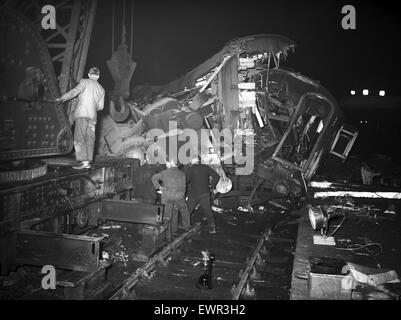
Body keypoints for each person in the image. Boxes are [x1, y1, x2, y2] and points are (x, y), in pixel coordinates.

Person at [56, 67, 105, 169]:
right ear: (98, 77)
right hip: (93, 117)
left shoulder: (84, 82)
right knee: (90, 138)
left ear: (89, 74)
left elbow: (75, 91)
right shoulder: (101, 89)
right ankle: (88, 163)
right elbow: (101, 107)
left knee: (79, 137)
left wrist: (62, 98)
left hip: (82, 114)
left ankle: (83, 161)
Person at [151, 160, 190, 236]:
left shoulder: (165, 172)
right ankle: (186, 227)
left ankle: (167, 233)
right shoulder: (182, 174)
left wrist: (159, 188)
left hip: (167, 196)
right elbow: (184, 187)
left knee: (167, 215)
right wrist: (182, 195)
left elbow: (154, 178)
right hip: (179, 196)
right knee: (182, 210)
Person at [185, 156, 220, 234]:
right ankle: (212, 228)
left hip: (194, 194)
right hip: (205, 193)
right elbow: (216, 176)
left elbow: (186, 179)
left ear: (194, 160)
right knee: (208, 211)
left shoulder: (191, 168)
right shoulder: (206, 167)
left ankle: (186, 227)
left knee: (188, 210)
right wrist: (211, 186)